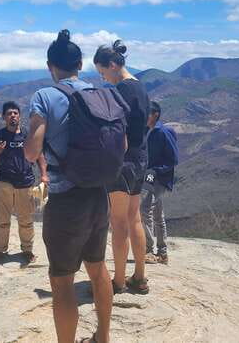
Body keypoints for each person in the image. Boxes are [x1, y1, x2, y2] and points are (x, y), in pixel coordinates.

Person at [24, 30, 115, 343]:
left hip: (66, 201)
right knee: (98, 268)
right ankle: (102, 337)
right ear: (80, 64)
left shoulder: (45, 97)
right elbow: (124, 142)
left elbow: (32, 152)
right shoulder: (101, 94)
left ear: (51, 66)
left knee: (62, 281)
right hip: (99, 196)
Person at [94, 40, 151, 295]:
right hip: (140, 159)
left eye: (103, 72)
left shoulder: (121, 91)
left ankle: (117, 280)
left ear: (114, 65)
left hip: (123, 162)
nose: (103, 78)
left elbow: (121, 134)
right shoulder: (140, 88)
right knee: (134, 218)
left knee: (118, 222)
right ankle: (139, 277)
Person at [0, 101, 47, 265]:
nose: (12, 116)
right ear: (4, 117)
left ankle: (27, 250)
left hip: (25, 182)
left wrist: (44, 175)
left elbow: (40, 155)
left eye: (15, 113)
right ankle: (0, 251)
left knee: (26, 220)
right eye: (9, 114)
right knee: (2, 219)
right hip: (5, 182)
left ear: (19, 116)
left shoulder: (28, 135)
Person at [141, 101, 178, 265]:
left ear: (155, 115)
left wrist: (154, 170)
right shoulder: (147, 130)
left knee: (144, 210)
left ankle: (148, 250)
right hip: (149, 175)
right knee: (157, 214)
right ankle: (162, 253)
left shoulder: (162, 132)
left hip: (158, 177)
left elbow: (173, 159)